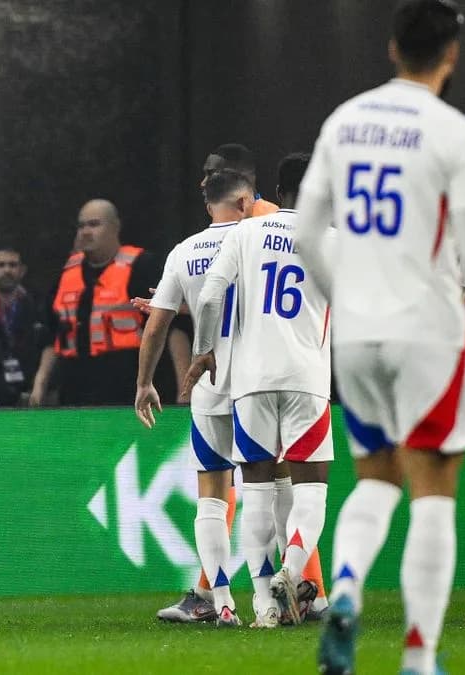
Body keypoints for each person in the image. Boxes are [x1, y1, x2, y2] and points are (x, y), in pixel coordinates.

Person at [292, 2, 465, 673]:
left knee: (374, 481)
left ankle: (344, 589)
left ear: (392, 48)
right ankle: (419, 655)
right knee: (432, 494)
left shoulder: (344, 120)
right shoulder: (454, 132)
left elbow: (307, 232)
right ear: (451, 54)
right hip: (430, 331)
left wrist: (347, 300)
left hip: (358, 334)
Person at [186, 156, 334, 629]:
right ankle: (293, 569)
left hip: (250, 381)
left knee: (256, 492)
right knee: (310, 489)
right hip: (307, 377)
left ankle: (265, 607)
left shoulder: (246, 233)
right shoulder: (330, 239)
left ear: (278, 189)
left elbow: (211, 295)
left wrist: (204, 351)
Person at [136, 169, 251, 628]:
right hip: (257, 383)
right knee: (272, 489)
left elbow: (156, 326)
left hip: (208, 387)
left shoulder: (184, 251)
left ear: (208, 206)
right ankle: (279, 596)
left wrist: (145, 383)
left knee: (212, 496)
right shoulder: (256, 240)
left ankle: (221, 601)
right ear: (244, 200)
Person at [31, 199, 163, 406]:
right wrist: (40, 383)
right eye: (81, 226)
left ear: (115, 227)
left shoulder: (143, 266)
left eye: (94, 224)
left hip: (126, 390)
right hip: (74, 394)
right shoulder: (67, 273)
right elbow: (52, 334)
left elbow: (168, 329)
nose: (85, 232)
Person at [0, 245, 45, 406]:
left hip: (31, 396)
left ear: (22, 270)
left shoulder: (37, 308)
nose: (7, 270)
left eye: (12, 265)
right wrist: (6, 393)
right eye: (1, 265)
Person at [202, 143, 280, 218]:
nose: (203, 183)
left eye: (211, 174)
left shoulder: (271, 218)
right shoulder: (219, 217)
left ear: (239, 177)